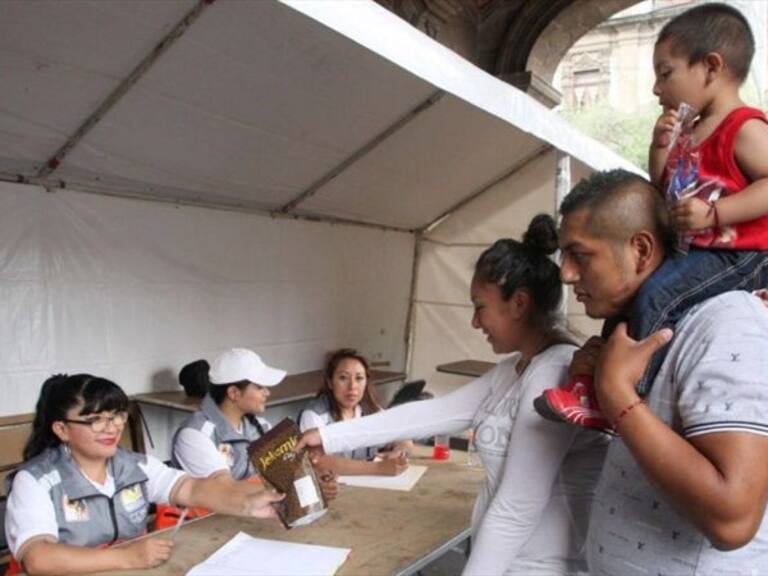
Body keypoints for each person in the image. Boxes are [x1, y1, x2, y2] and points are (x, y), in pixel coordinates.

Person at [296, 215, 609, 576]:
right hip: (509, 563)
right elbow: (435, 412)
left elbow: (517, 508)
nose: (475, 322)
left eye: (480, 307)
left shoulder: (554, 371)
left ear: (518, 303)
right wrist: (328, 436)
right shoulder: (513, 370)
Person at [537, 3, 768, 431]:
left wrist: (715, 213)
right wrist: (660, 149)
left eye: (666, 73)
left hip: (737, 256)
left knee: (657, 295)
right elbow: (662, 191)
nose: (657, 89)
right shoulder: (690, 132)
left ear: (711, 67)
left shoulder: (744, 128)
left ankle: (628, 388)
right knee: (628, 303)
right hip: (696, 251)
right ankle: (592, 387)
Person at [556, 169, 768, 575]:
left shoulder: (725, 323)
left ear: (640, 249)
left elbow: (733, 519)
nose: (565, 274)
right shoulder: (641, 329)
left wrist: (617, 394)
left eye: (579, 255)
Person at [3, 373, 283, 576]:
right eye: (95, 420)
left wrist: (247, 503)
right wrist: (126, 558)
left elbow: (190, 488)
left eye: (117, 415)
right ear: (62, 429)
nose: (112, 427)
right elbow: (38, 558)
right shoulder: (36, 480)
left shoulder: (133, 465)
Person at [172, 348, 337, 495]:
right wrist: (295, 485)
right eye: (259, 387)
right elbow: (224, 489)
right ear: (234, 393)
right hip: (210, 519)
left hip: (251, 513)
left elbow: (288, 469)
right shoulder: (195, 435)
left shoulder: (260, 427)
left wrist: (313, 476)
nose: (267, 393)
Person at [298, 348, 411, 476]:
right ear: (330, 382)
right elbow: (319, 462)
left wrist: (400, 451)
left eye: (359, 378)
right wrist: (379, 468)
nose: (352, 386)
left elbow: (404, 437)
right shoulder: (314, 414)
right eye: (343, 378)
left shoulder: (370, 410)